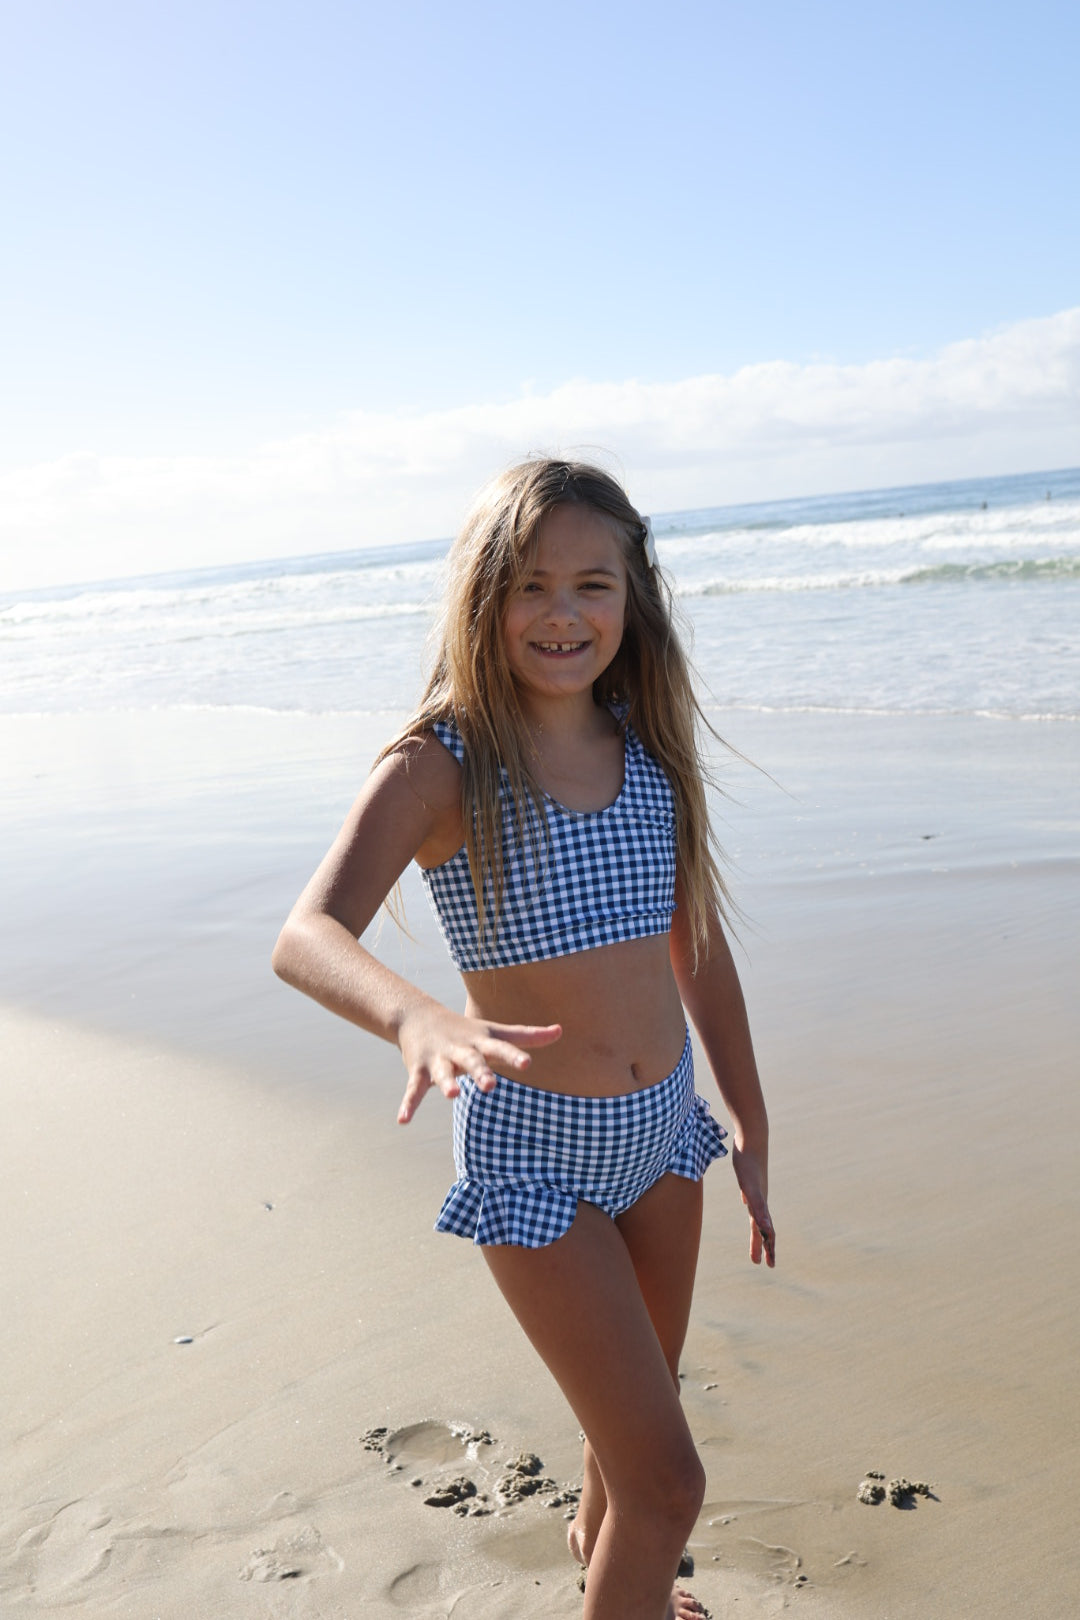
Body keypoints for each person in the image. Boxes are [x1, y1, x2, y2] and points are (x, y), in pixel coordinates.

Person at [272, 457, 775, 1620]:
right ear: (484, 598)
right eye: (531, 586)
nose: (563, 614)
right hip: (534, 1155)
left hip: (660, 1144)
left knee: (626, 1437)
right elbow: (307, 934)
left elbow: (692, 942)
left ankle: (616, 1570)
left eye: (593, 585)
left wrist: (747, 1116)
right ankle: (637, 1573)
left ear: (632, 599)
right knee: (672, 1479)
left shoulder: (649, 747)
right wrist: (417, 1014)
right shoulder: (444, 763)